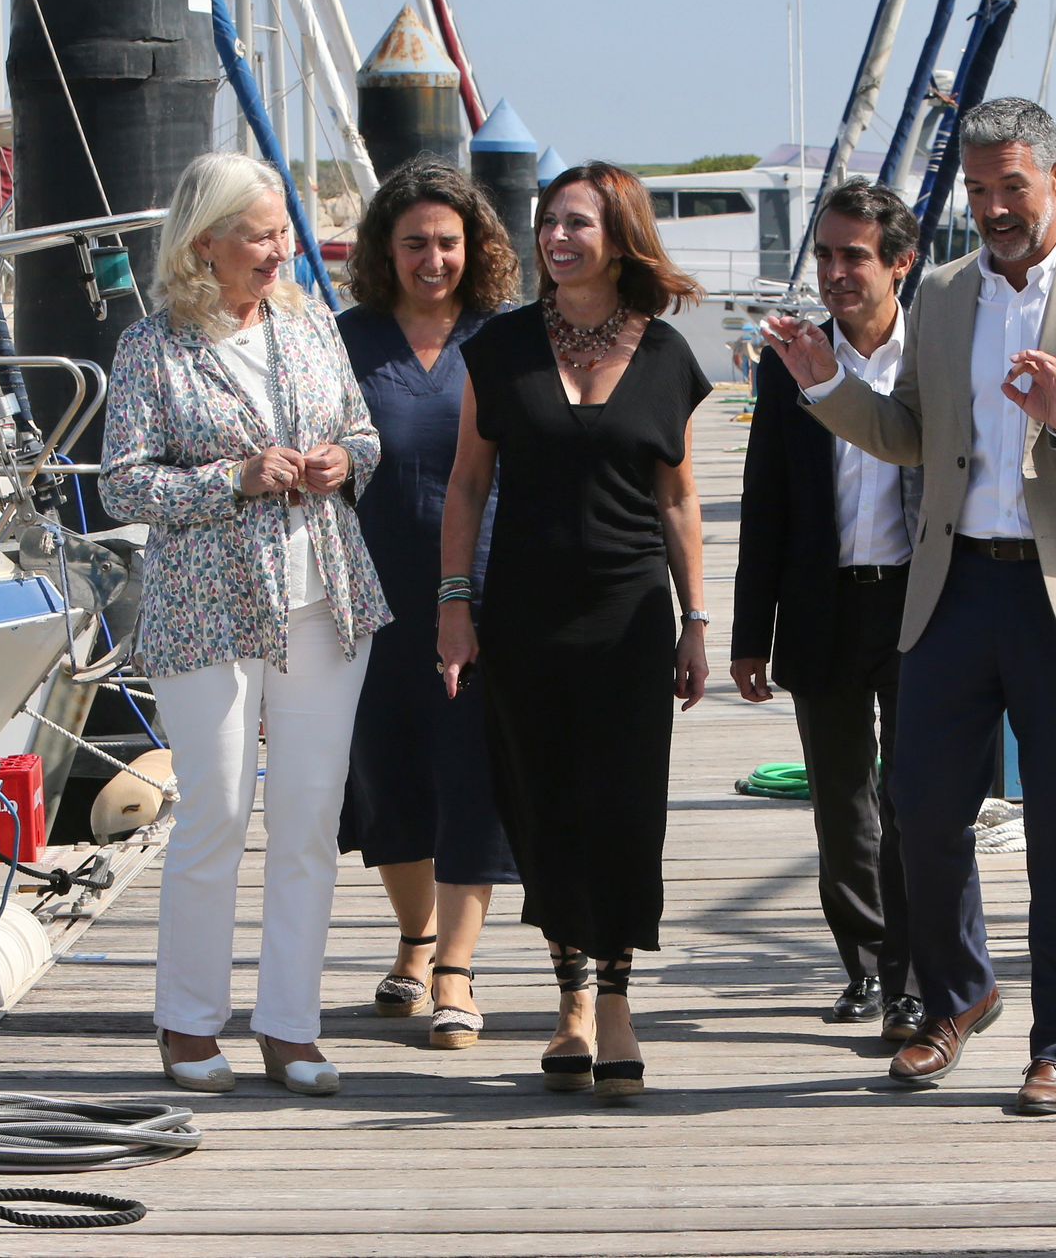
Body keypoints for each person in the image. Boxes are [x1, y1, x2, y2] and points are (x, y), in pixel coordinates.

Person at [762, 98, 1056, 1116]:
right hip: (956, 584)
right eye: (977, 190)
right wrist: (827, 385)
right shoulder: (948, 293)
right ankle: (958, 996)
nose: (994, 207)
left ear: (1055, 182)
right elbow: (912, 434)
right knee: (921, 811)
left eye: (1012, 186)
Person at [100, 151, 389, 1097]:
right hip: (206, 605)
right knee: (216, 814)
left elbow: (363, 432)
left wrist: (344, 460)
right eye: (260, 234)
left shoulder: (310, 327)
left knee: (307, 819)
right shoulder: (152, 347)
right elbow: (122, 484)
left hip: (323, 596)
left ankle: (290, 1027)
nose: (279, 250)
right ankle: (188, 1023)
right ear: (205, 242)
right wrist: (233, 478)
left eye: (280, 232)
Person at [437, 160, 712, 1100]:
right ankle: (572, 1001)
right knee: (545, 806)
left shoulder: (668, 355)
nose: (557, 238)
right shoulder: (501, 349)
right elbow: (469, 484)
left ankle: (622, 999)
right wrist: (454, 607)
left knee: (626, 809)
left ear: (619, 236)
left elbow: (679, 497)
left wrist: (697, 620)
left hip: (633, 614)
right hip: (524, 614)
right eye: (548, 222)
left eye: (578, 224)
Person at [730, 179, 923, 1042]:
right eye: (827, 255)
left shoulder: (937, 358)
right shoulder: (788, 361)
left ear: (901, 263)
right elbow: (763, 497)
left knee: (918, 800)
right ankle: (868, 969)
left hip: (922, 606)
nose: (837, 272)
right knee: (840, 803)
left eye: (855, 256)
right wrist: (748, 635)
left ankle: (916, 975)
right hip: (822, 606)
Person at [336, 158, 520, 1051]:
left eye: (449, 242)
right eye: (415, 243)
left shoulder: (506, 337)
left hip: (484, 590)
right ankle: (414, 942)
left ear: (474, 246)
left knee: (470, 776)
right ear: (386, 250)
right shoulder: (342, 339)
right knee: (386, 774)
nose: (433, 259)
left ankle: (457, 967)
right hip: (366, 594)